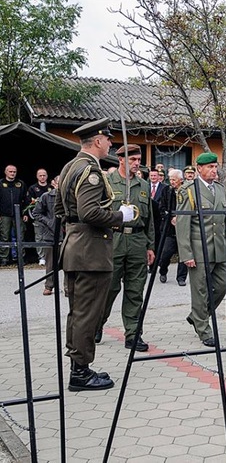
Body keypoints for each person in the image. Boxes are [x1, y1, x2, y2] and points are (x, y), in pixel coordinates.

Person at [55, 117, 137, 391]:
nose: (111, 144)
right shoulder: (90, 169)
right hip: (91, 252)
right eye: (109, 140)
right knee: (88, 314)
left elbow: (60, 210)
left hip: (75, 248)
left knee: (77, 313)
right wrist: (119, 216)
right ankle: (81, 373)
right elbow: (90, 212)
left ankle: (78, 366)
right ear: (98, 141)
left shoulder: (70, 167)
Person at [96, 144, 156, 352]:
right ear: (120, 159)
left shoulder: (144, 185)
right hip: (114, 240)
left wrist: (150, 245)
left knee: (135, 290)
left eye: (139, 160)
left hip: (138, 241)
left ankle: (133, 333)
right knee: (109, 287)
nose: (137, 163)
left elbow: (150, 220)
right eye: (132, 160)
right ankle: (97, 324)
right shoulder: (108, 183)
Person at [176, 152, 226, 347]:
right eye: (210, 167)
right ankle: (204, 330)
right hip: (199, 249)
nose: (214, 171)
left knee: (221, 286)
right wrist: (186, 253)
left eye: (215, 167)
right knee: (200, 290)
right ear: (199, 168)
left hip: (218, 249)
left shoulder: (221, 190)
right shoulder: (189, 190)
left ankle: (197, 316)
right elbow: (183, 224)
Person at [158, 168, 188, 286]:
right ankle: (163, 271)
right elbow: (162, 207)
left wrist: (180, 218)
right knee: (166, 253)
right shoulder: (166, 190)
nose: (172, 182)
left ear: (181, 180)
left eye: (174, 180)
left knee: (183, 254)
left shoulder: (186, 190)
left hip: (184, 228)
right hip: (169, 229)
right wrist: (171, 218)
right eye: (170, 179)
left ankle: (181, 277)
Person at [33, 175, 62, 295]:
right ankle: (49, 286)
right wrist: (49, 222)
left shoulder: (72, 197)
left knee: (70, 263)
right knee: (50, 263)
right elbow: (36, 213)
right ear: (54, 183)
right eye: (59, 182)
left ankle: (68, 288)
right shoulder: (46, 196)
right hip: (50, 234)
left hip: (68, 234)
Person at [0, 164, 29, 265]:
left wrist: (25, 213)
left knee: (20, 235)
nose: (12, 174)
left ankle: (21, 257)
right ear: (5, 172)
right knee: (4, 236)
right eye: (10, 171)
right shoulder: (0, 183)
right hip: (4, 214)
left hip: (19, 214)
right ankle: (4, 258)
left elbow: (26, 200)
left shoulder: (20, 184)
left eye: (14, 172)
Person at [26, 168, 51, 265]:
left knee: (49, 236)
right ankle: (41, 257)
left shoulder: (51, 188)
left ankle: (50, 256)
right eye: (40, 175)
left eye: (44, 175)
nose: (42, 177)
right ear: (37, 176)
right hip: (38, 217)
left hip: (49, 217)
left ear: (47, 176)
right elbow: (28, 202)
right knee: (39, 237)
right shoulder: (32, 188)